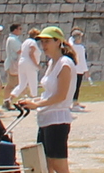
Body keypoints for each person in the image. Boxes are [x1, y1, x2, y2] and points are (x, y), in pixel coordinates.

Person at [27, 27, 75, 173]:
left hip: (58, 119)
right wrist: (33, 101)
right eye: (42, 42)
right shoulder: (52, 63)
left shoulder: (64, 64)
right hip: (47, 118)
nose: (44, 45)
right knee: (45, 163)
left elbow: (61, 95)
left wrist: (36, 104)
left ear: (58, 42)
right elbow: (49, 92)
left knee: (59, 164)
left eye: (47, 41)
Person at [69, 28, 89, 111]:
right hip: (79, 70)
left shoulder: (70, 46)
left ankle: (74, 102)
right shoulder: (80, 48)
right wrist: (86, 71)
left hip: (71, 69)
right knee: (76, 87)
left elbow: (70, 39)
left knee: (71, 86)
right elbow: (82, 60)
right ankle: (74, 103)